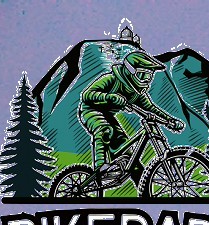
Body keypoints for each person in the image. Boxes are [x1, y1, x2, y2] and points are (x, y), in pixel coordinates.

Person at [74, 21, 178, 190]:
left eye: (149, 77)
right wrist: (112, 97)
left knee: (129, 155)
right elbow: (87, 95)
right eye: (142, 75)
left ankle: (143, 191)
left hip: (108, 115)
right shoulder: (111, 79)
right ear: (130, 71)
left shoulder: (137, 92)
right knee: (104, 129)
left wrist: (169, 120)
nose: (146, 80)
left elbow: (150, 107)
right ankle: (100, 168)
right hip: (90, 110)